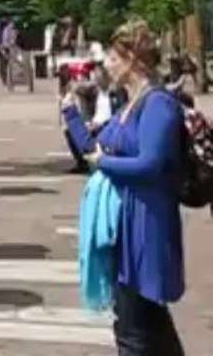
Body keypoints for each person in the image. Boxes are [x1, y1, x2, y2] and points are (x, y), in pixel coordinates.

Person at [62, 20, 185, 354]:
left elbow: (151, 165)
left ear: (131, 58)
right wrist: (70, 113)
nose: (107, 66)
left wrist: (105, 163)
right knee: (147, 324)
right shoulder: (128, 105)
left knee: (134, 327)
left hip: (146, 222)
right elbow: (92, 148)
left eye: (113, 58)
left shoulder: (158, 103)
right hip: (126, 222)